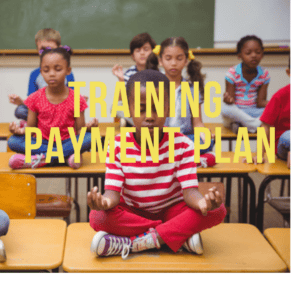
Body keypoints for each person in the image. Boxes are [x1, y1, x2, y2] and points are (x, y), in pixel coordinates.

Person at [88, 70, 226, 259]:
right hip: (134, 212)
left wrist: (202, 202)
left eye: (157, 108)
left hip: (171, 211)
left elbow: (190, 192)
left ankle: (134, 243)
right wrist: (103, 203)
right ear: (129, 110)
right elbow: (112, 194)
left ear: (168, 109)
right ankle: (174, 236)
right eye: (142, 109)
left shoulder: (183, 144)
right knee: (97, 216)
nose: (150, 116)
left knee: (218, 210)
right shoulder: (118, 145)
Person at [7, 47, 98, 170]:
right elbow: (31, 130)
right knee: (13, 141)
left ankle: (41, 160)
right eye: (46, 70)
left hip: (67, 142)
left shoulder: (77, 99)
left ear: (68, 71)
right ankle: (66, 157)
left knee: (90, 138)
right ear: (41, 72)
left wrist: (89, 127)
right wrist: (19, 131)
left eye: (58, 69)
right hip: (42, 143)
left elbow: (79, 131)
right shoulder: (34, 98)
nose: (51, 73)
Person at [146, 36, 215, 166]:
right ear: (160, 61)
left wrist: (204, 133)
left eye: (179, 58)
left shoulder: (193, 89)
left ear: (186, 61)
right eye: (168, 58)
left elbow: (197, 122)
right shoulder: (152, 87)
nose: (173, 63)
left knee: (207, 142)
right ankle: (191, 159)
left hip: (184, 139)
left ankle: (174, 159)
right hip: (160, 139)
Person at [8, 28, 79, 122]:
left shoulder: (67, 74)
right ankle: (47, 123)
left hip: (61, 110)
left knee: (76, 110)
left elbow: (73, 100)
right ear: (37, 50)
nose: (46, 53)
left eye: (50, 49)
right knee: (20, 110)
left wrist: (79, 101)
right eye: (42, 50)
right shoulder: (35, 74)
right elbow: (31, 101)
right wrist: (21, 102)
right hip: (41, 111)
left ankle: (46, 123)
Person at [221, 35, 270, 134]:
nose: (253, 55)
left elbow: (260, 102)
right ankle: (256, 126)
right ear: (239, 55)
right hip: (237, 111)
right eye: (248, 53)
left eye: (258, 52)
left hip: (253, 112)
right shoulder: (232, 73)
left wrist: (274, 104)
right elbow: (231, 101)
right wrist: (228, 99)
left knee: (271, 111)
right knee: (226, 109)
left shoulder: (264, 74)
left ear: (262, 54)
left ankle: (242, 125)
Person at [251, 58, 290, 168]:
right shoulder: (280, 96)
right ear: (289, 73)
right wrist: (259, 154)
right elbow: (265, 126)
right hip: (283, 144)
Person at [112, 33, 156, 126]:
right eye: (138, 50)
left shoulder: (159, 73)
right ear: (133, 56)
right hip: (137, 113)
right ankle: (141, 125)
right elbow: (120, 103)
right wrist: (121, 80)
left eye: (146, 49)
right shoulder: (128, 75)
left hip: (154, 112)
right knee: (114, 107)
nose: (142, 53)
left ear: (153, 52)